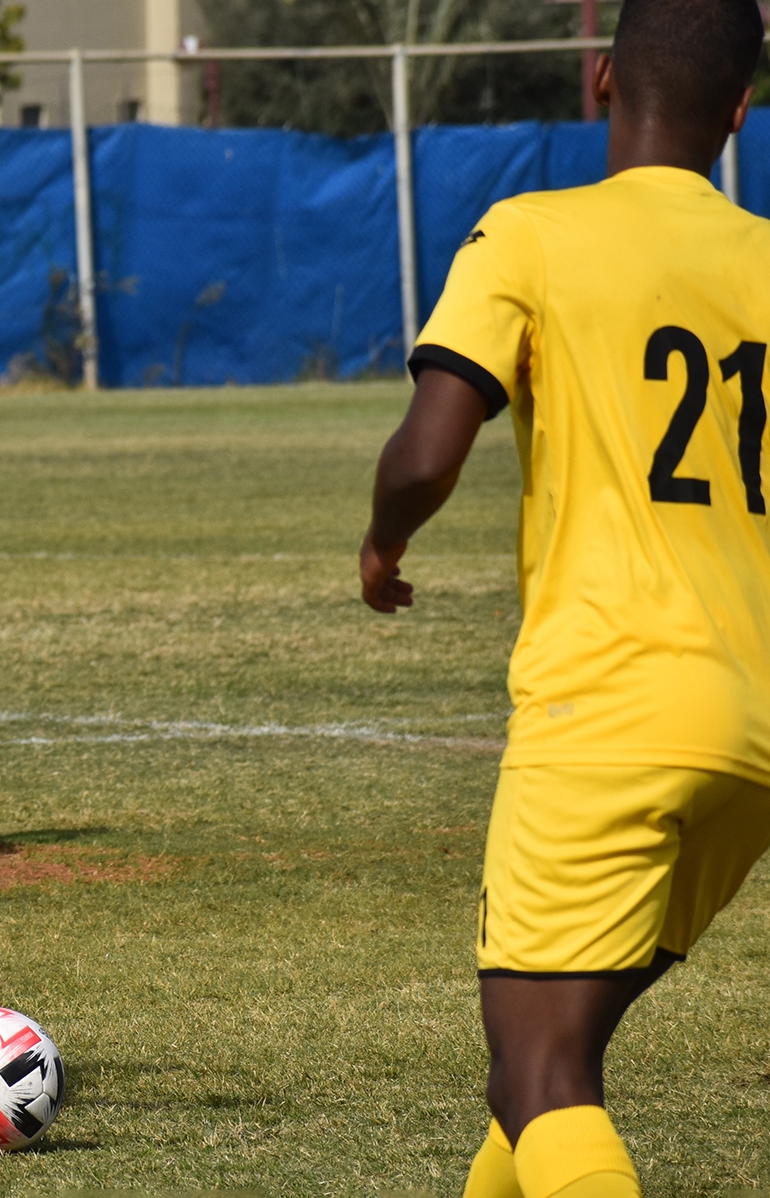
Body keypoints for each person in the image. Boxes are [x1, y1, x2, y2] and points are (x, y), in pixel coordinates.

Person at [359, 3, 767, 1194]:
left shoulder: (533, 232)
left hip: (614, 708)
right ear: (740, 108)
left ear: (599, 80)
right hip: (751, 733)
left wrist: (382, 545)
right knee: (546, 1060)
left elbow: (430, 452)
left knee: (539, 1075)